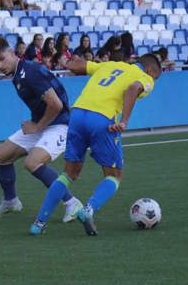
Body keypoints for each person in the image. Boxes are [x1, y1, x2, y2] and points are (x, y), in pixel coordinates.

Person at [29, 50, 164, 236]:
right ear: (150, 70)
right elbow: (133, 88)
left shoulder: (110, 65)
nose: (154, 81)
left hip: (76, 114)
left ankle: (39, 223)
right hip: (102, 118)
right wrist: (124, 120)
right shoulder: (145, 77)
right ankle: (88, 209)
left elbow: (78, 66)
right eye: (156, 76)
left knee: (68, 173)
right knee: (114, 175)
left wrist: (68, 63)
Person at [0, 37, 84, 221]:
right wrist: (37, 125)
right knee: (1, 157)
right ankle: (10, 201)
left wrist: (37, 126)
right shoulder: (17, 74)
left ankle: (72, 203)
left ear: (12, 53)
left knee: (32, 163)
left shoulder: (29, 72)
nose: (0, 65)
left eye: (2, 58)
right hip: (42, 124)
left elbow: (56, 104)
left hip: (59, 125)